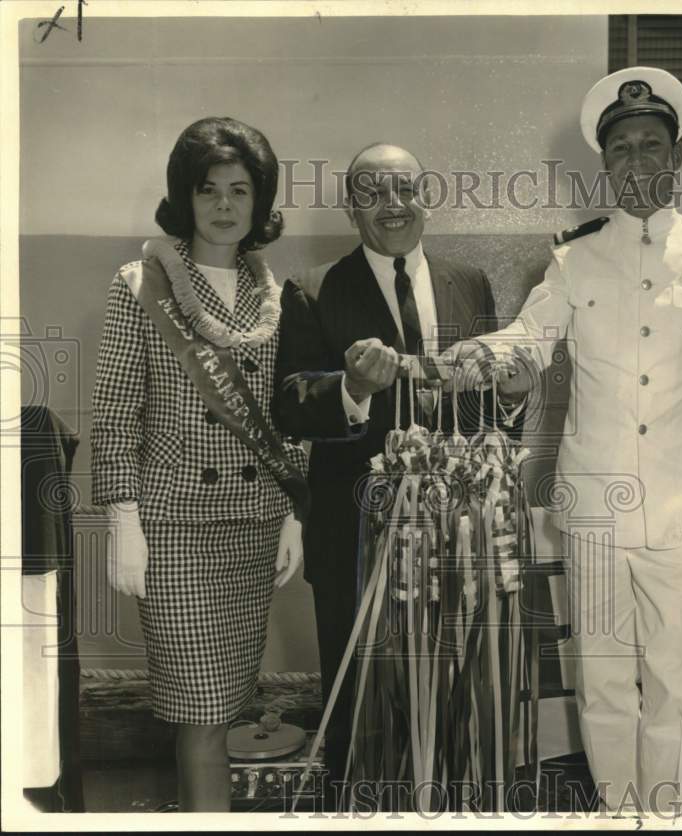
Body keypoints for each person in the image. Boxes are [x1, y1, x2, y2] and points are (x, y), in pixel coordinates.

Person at [444, 68, 682, 815]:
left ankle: (670, 816)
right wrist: (481, 358)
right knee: (606, 678)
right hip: (597, 507)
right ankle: (620, 814)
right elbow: (531, 337)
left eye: (652, 146)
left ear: (677, 160)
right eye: (622, 149)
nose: (637, 162)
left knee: (678, 685)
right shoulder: (572, 257)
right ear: (605, 164)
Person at [271, 142, 523, 803]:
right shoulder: (312, 289)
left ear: (426, 199)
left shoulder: (469, 283)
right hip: (359, 541)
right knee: (364, 707)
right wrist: (350, 388)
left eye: (406, 189)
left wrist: (515, 394)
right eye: (374, 192)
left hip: (459, 542)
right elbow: (289, 406)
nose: (394, 204)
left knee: (459, 698)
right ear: (352, 207)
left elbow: (486, 413)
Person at [91, 117, 308, 812]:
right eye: (207, 189)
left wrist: (294, 511)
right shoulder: (142, 282)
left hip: (253, 524)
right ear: (183, 198)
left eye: (240, 190)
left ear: (261, 200)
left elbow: (290, 413)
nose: (223, 204)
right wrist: (123, 517)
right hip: (176, 528)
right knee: (200, 713)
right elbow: (116, 410)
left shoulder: (275, 292)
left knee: (227, 705)